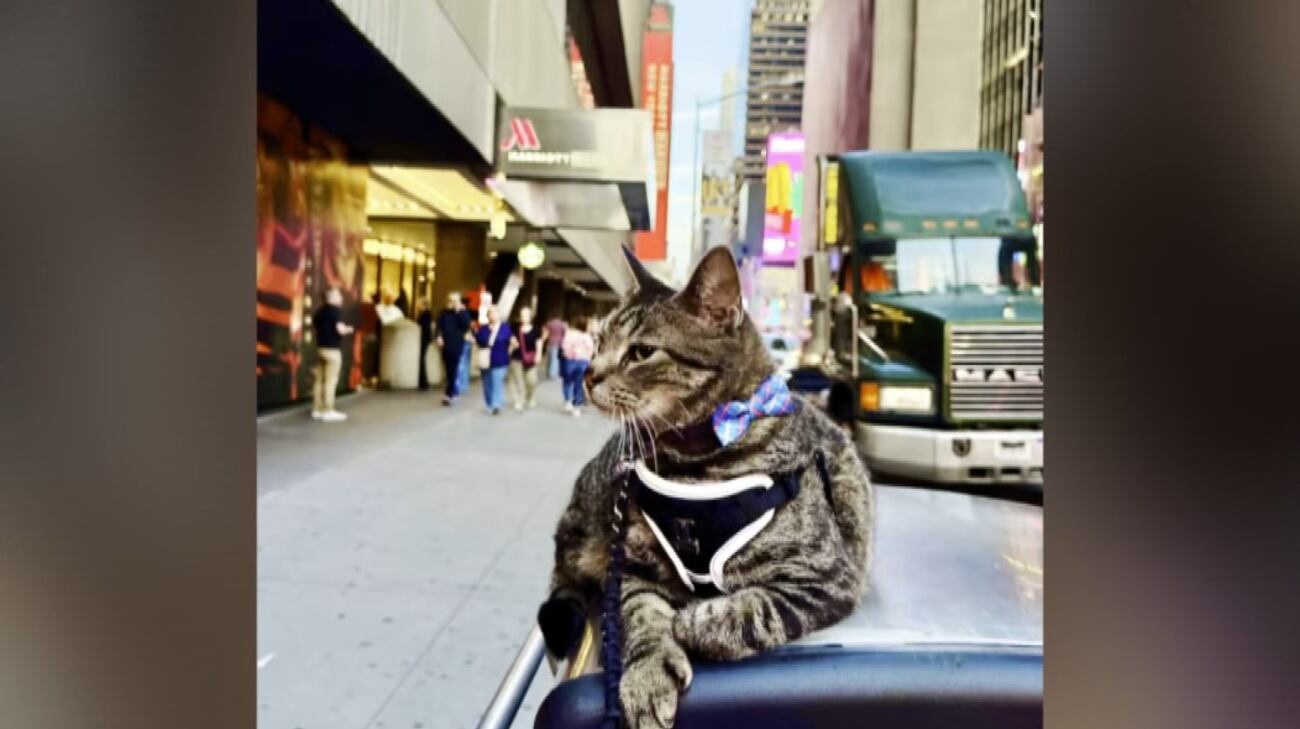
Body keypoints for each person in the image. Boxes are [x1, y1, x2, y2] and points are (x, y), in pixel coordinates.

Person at [311, 287, 354, 422]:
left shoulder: (319, 312)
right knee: (331, 381)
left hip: (320, 348)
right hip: (333, 350)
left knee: (319, 381)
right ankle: (328, 410)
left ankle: (317, 409)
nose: (340, 297)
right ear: (331, 297)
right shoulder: (335, 311)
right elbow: (340, 330)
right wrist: (349, 329)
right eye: (338, 295)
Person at [474, 306, 515, 415]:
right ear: (488, 315)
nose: (493, 315)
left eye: (495, 313)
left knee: (497, 382)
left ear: (499, 314)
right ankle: (489, 403)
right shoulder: (483, 328)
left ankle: (496, 405)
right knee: (487, 384)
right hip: (485, 360)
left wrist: (510, 351)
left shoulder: (505, 328)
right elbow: (478, 341)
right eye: (491, 313)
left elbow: (511, 340)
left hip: (500, 359)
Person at [434, 292, 473, 405]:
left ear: (459, 301)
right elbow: (438, 327)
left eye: (456, 300)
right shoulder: (444, 313)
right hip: (445, 345)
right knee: (448, 370)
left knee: (454, 369)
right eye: (451, 300)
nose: (453, 302)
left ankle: (449, 394)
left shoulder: (463, 312)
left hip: (457, 345)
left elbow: (466, 325)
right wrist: (438, 337)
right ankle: (452, 392)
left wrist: (459, 311)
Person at [507, 306, 543, 411]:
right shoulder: (515, 328)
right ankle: (519, 401)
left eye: (526, 315)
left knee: (532, 381)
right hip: (516, 358)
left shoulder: (536, 329)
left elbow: (539, 342)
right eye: (522, 315)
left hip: (531, 358)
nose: (524, 317)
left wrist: (539, 354)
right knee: (518, 381)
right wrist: (512, 342)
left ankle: (530, 397)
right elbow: (511, 338)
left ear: (530, 316)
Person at [560, 315, 595, 417]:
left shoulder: (570, 334)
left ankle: (567, 401)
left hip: (571, 360)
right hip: (583, 362)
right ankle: (576, 407)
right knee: (578, 384)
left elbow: (564, 347)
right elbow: (591, 349)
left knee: (567, 381)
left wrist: (568, 354)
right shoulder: (587, 336)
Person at [415, 298, 433, 391]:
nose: (418, 306)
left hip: (423, 340)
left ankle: (423, 382)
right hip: (425, 339)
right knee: (422, 359)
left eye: (419, 304)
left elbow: (425, 328)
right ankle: (423, 382)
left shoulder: (425, 315)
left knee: (421, 360)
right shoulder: (426, 315)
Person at [543, 315, 566, 381]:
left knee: (549, 359)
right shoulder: (562, 324)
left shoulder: (549, 323)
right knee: (555, 359)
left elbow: (545, 331)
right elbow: (564, 333)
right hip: (558, 343)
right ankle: (552, 374)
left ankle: (548, 372)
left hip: (550, 342)